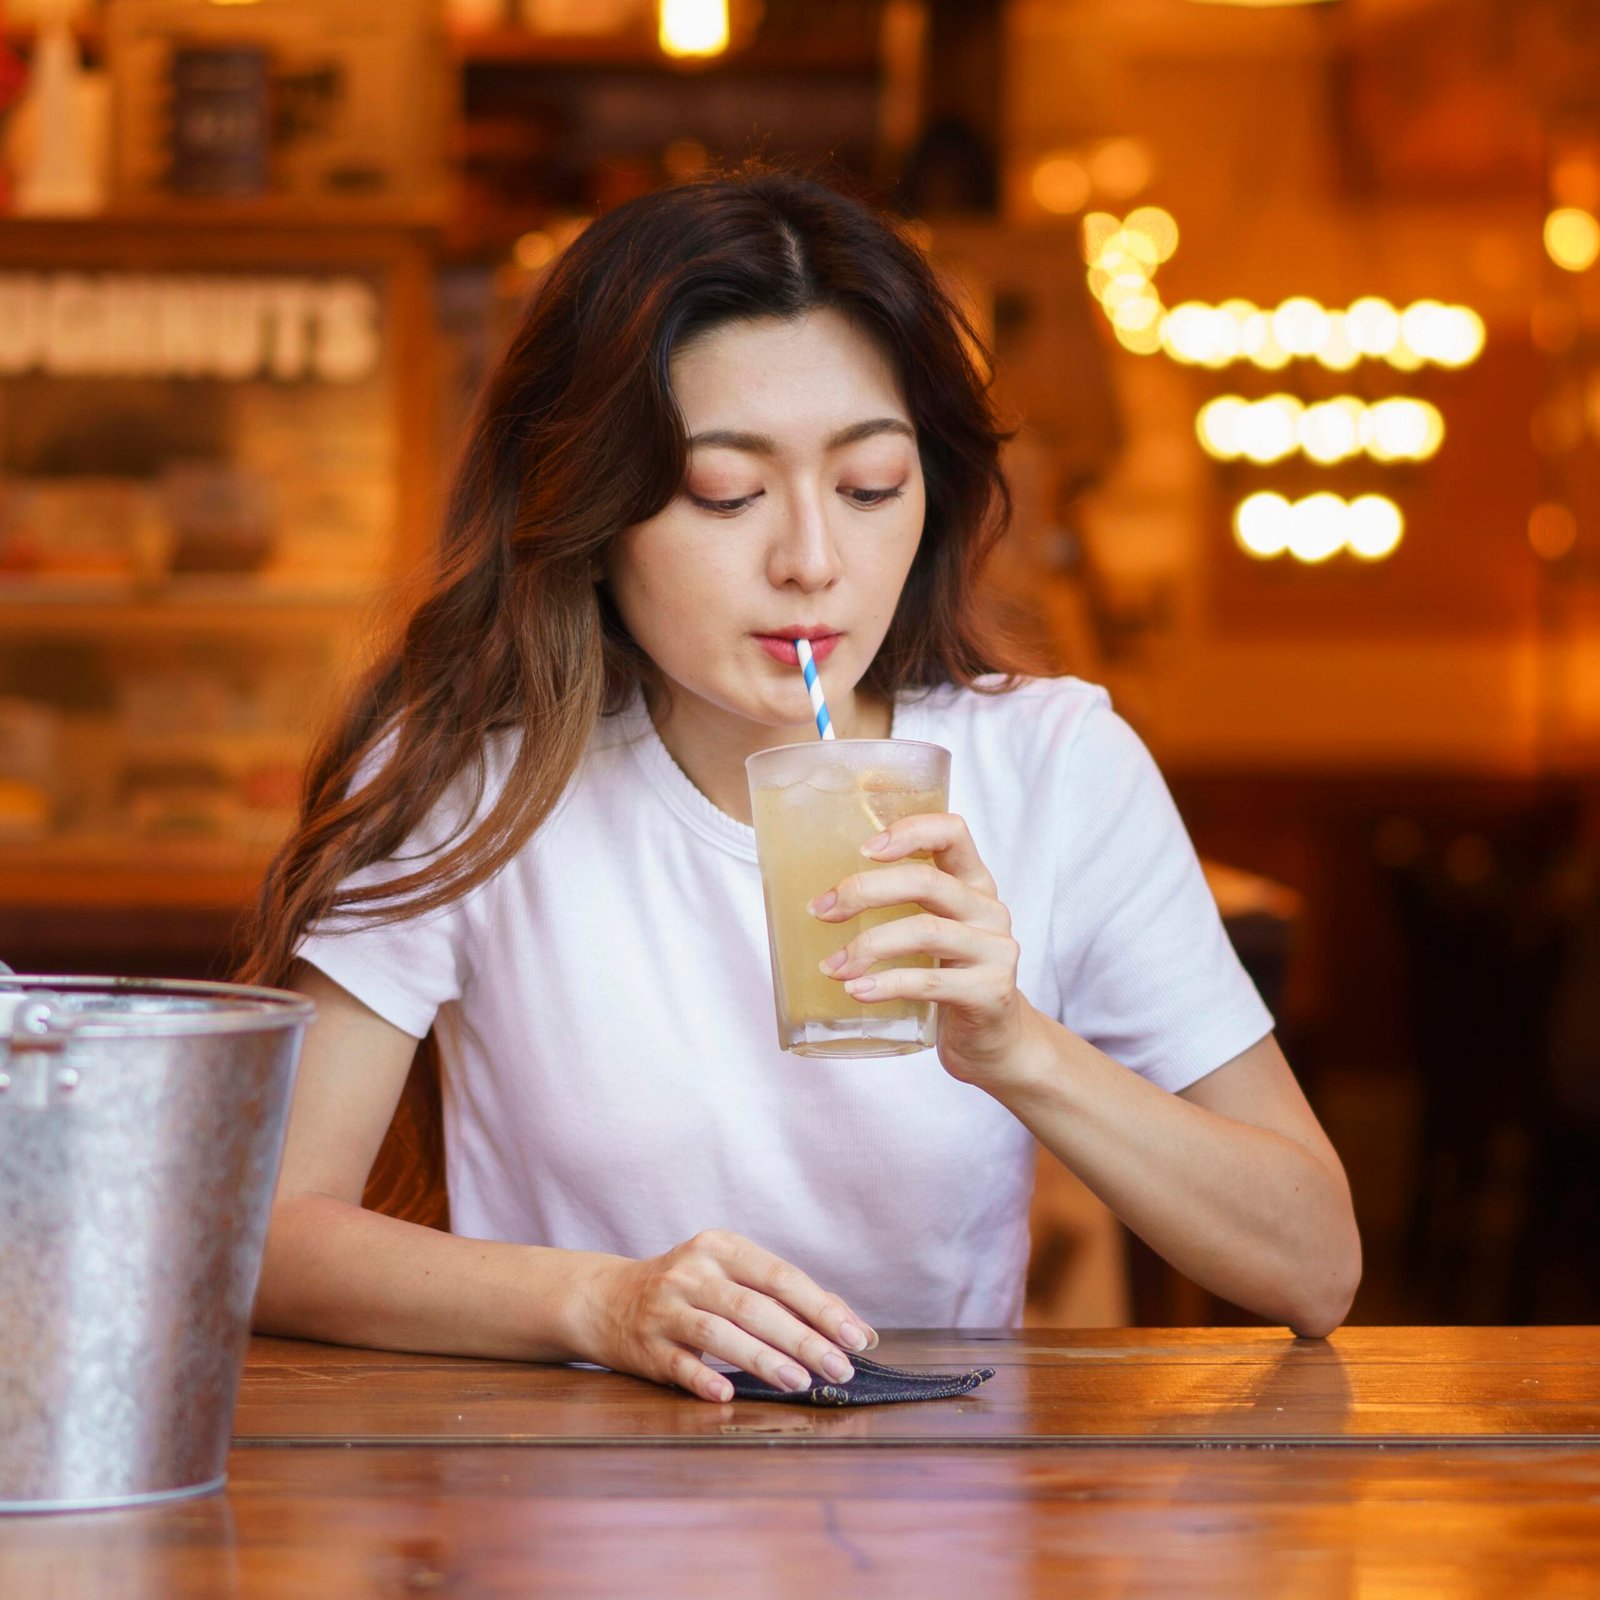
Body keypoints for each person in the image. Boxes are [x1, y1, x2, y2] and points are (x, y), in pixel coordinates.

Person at [243, 166, 1361, 1404]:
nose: (813, 562)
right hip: (565, 1520)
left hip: (927, 1528)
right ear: (590, 508)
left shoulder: (1053, 767)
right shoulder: (473, 773)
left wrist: (1018, 1048)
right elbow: (271, 1232)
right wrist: (600, 1300)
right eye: (726, 493)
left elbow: (1312, 1264)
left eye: (869, 486)